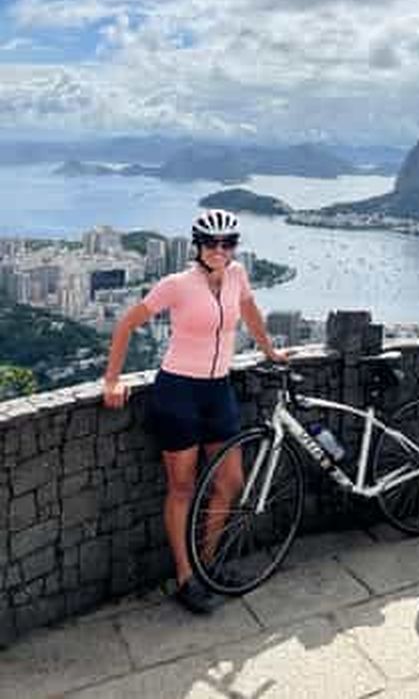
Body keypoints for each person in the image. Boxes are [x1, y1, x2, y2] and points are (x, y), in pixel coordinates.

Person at [102, 208, 287, 613]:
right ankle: (186, 578)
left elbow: (251, 313)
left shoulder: (238, 275)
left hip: (218, 389)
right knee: (183, 487)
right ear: (198, 246)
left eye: (228, 243)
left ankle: (207, 563)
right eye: (211, 243)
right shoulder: (177, 284)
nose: (220, 250)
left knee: (230, 481)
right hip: (178, 392)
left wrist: (269, 350)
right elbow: (126, 324)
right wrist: (112, 379)